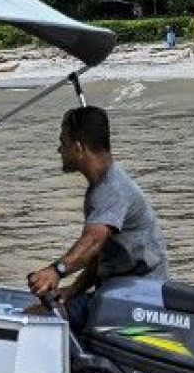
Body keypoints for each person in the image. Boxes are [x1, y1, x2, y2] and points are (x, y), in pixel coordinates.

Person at [27, 106, 168, 330]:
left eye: (63, 142)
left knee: (35, 319)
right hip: (119, 290)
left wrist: (56, 271)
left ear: (79, 147)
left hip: (137, 299)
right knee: (48, 310)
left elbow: (93, 241)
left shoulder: (113, 189)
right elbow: (99, 254)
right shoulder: (100, 186)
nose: (59, 149)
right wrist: (74, 289)